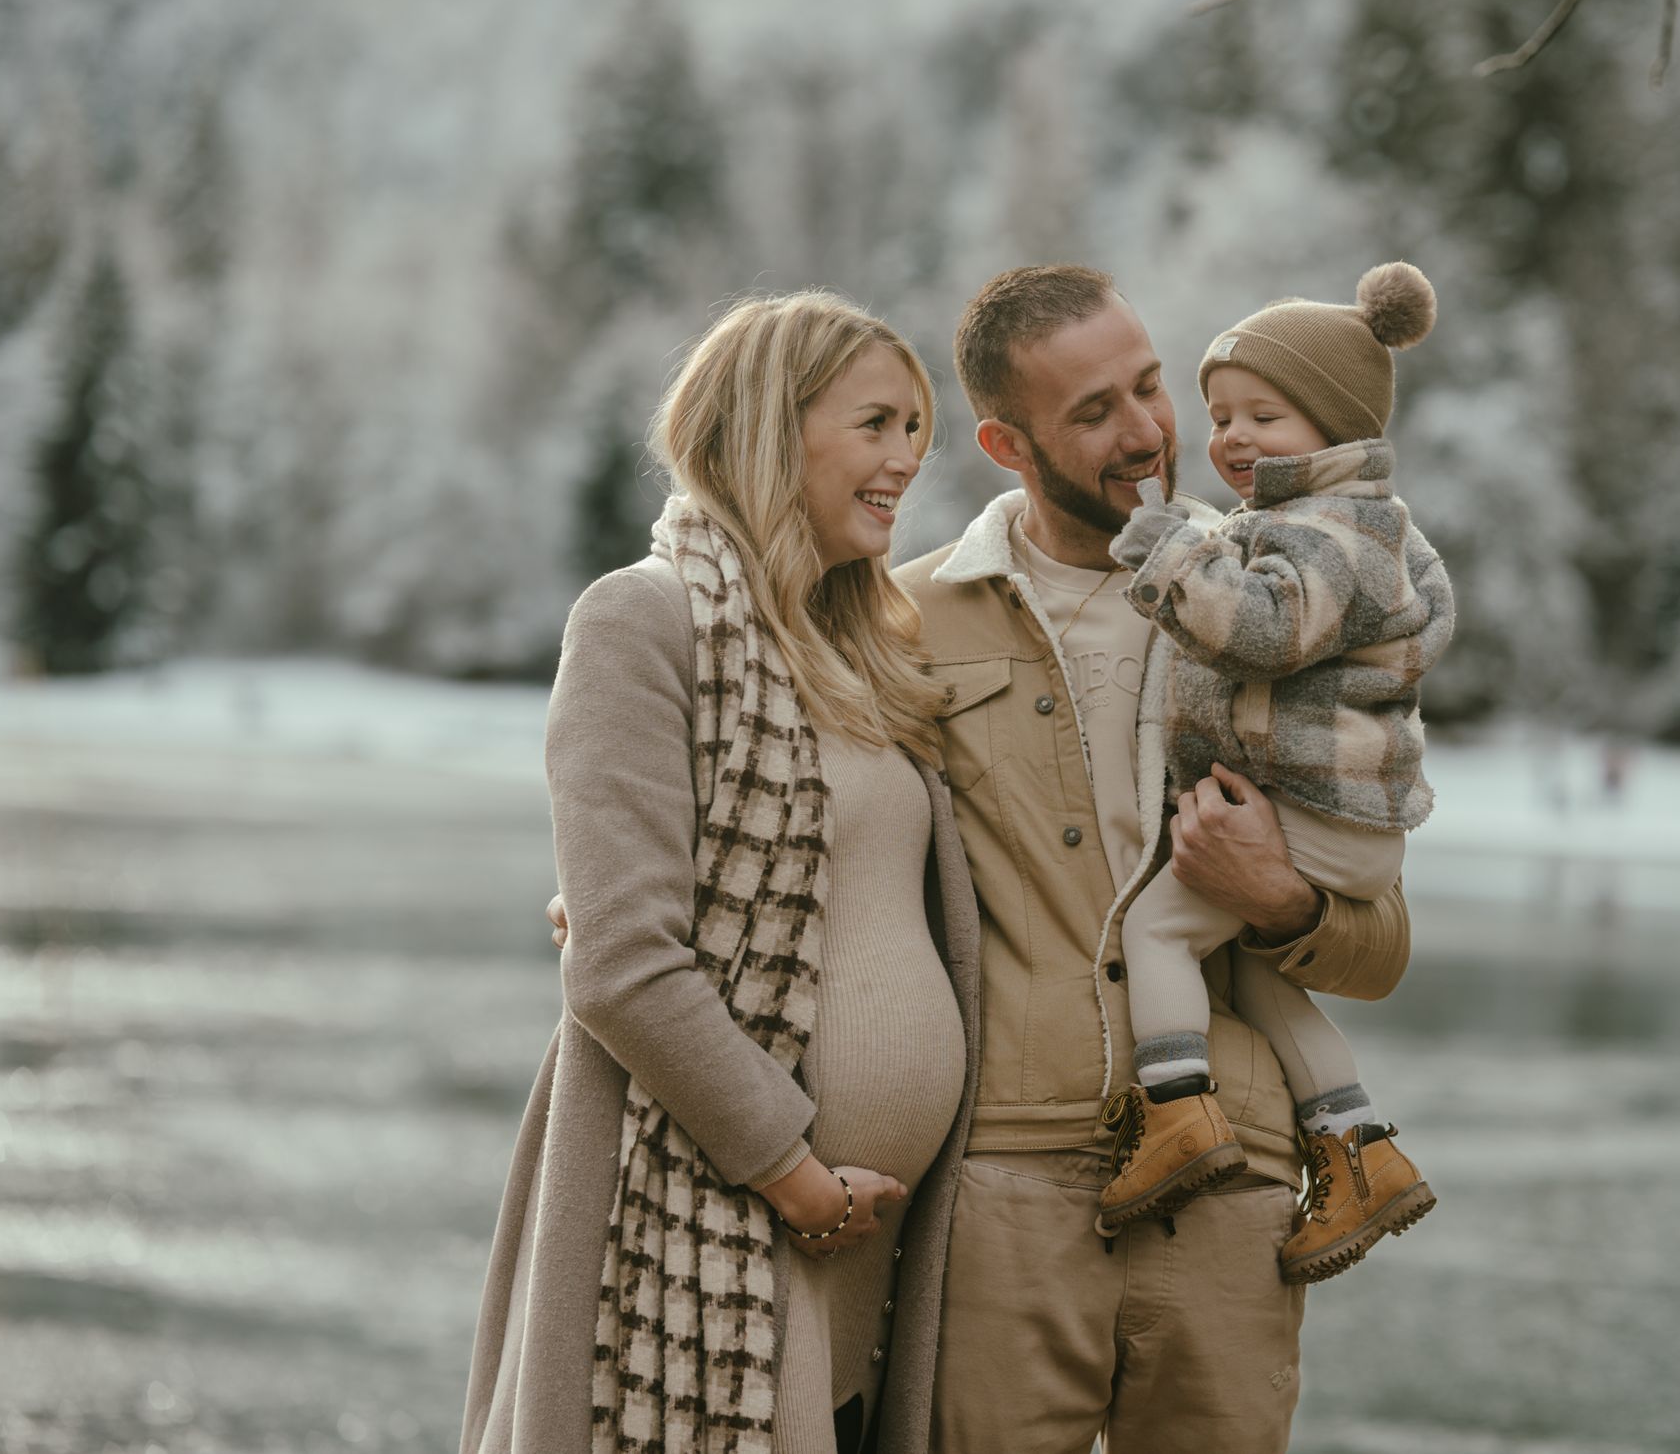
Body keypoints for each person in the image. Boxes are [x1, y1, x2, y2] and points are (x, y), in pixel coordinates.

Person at [900, 264, 1412, 1451]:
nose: (1144, 432)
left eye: (1148, 386)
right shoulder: (906, 620)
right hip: (1003, 1185)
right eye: (1092, 411)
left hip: (1233, 1195)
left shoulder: (1281, 599)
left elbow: (1380, 945)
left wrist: (1277, 897)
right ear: (1002, 440)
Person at [463, 292, 980, 1454]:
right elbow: (624, 961)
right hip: (723, 1213)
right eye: (877, 424)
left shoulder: (870, 649)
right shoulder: (643, 621)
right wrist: (795, 1173)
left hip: (869, 1250)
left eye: (918, 433)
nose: (906, 459)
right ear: (768, 426)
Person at [1096, 261, 1455, 1284]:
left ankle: (1174, 1115)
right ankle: (1355, 1149)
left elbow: (1262, 628)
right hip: (1337, 815)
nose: (1233, 438)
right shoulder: (1352, 527)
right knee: (1255, 973)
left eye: (1266, 414)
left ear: (1339, 427)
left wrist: (1169, 551)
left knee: (1155, 927)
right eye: (1219, 415)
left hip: (1312, 810)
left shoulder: (1325, 533)